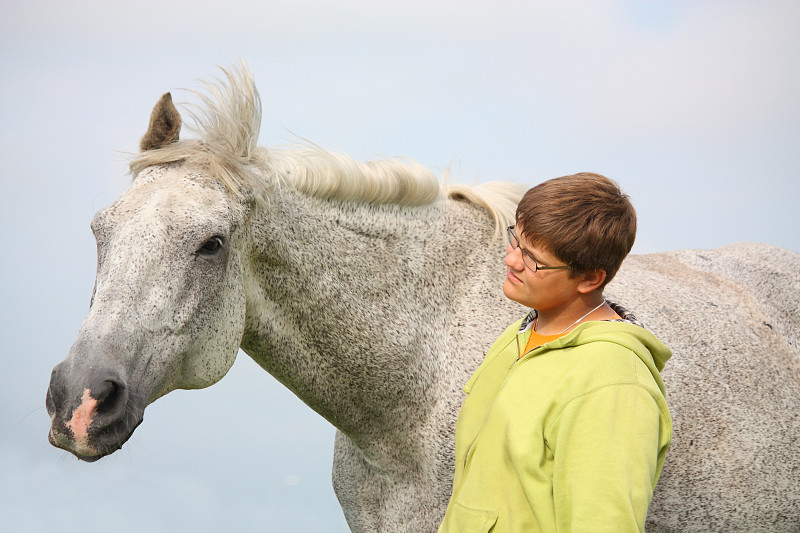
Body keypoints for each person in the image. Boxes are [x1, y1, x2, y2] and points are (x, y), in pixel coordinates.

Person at [438, 173, 672, 533]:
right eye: (515, 239)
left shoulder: (613, 382)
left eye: (533, 260)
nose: (511, 260)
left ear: (590, 279)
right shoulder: (520, 335)